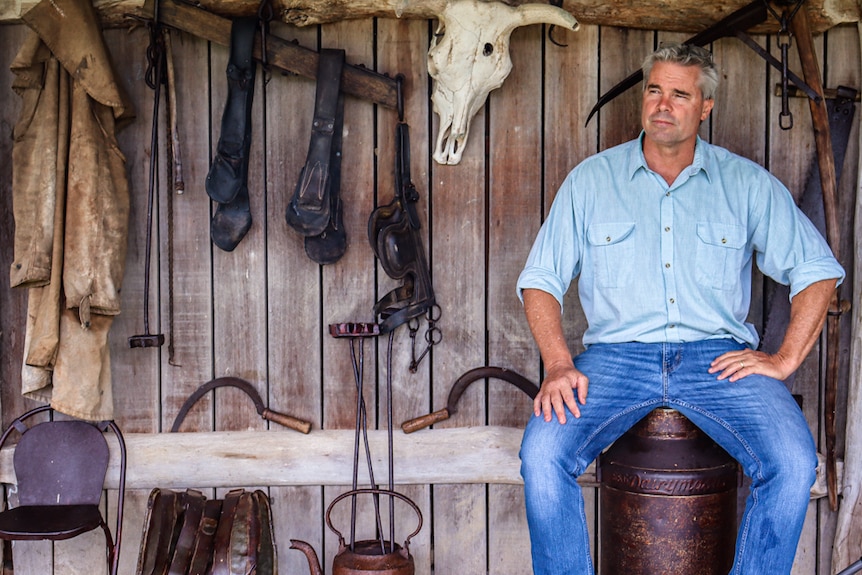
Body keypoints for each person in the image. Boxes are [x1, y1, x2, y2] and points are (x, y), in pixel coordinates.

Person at [516, 43, 844, 575]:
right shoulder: (591, 181)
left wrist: (782, 361)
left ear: (705, 107)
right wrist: (557, 365)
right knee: (542, 454)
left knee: (792, 460)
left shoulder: (744, 183)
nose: (662, 104)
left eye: (679, 94)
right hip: (615, 360)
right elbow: (540, 282)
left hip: (718, 360)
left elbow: (818, 271)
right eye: (654, 90)